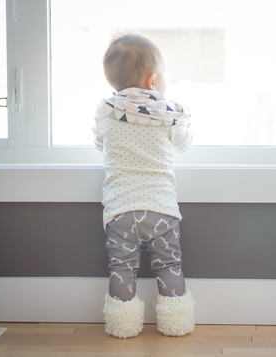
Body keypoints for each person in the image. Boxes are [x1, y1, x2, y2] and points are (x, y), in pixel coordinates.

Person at [93, 33, 195, 339]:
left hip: (121, 210)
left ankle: (122, 326)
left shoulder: (107, 111)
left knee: (122, 268)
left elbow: (100, 143)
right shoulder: (168, 112)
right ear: (153, 80)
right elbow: (184, 145)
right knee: (169, 266)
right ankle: (176, 323)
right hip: (161, 208)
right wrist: (184, 128)